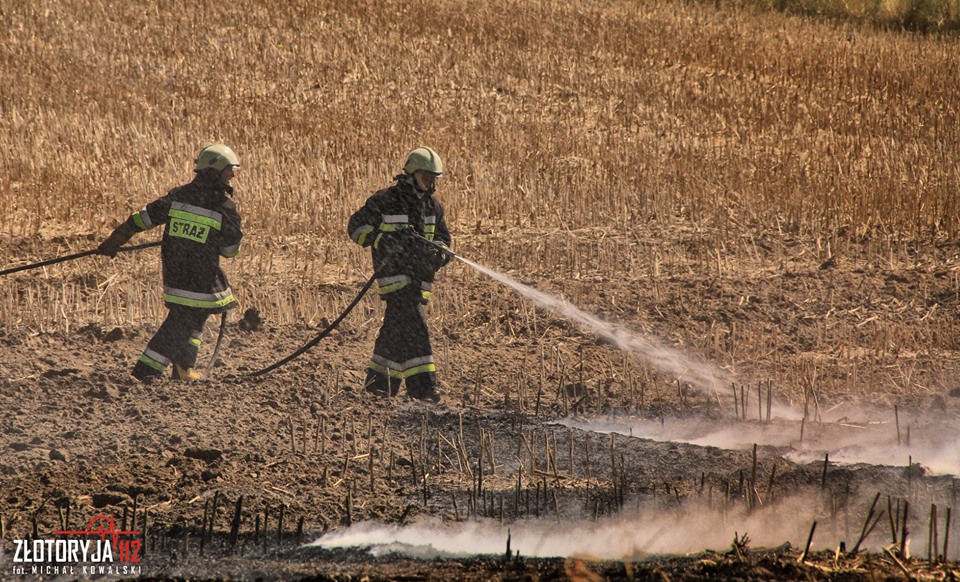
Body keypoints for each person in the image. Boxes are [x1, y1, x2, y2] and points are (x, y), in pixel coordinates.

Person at [97, 144, 244, 381]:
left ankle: (183, 369)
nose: (232, 176)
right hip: (200, 280)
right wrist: (227, 236)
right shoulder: (224, 209)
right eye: (229, 170)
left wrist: (116, 240)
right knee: (178, 326)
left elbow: (142, 219)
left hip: (175, 276)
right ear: (216, 172)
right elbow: (229, 251)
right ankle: (144, 374)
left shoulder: (177, 197)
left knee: (194, 319)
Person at [348, 146, 452, 402]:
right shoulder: (386, 200)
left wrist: (440, 252)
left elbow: (444, 240)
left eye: (434, 178)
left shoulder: (432, 207)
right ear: (413, 173)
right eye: (427, 176)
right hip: (394, 277)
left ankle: (379, 385)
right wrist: (383, 239)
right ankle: (424, 389)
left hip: (420, 280)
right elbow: (355, 227)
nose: (431, 181)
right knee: (416, 328)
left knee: (396, 331)